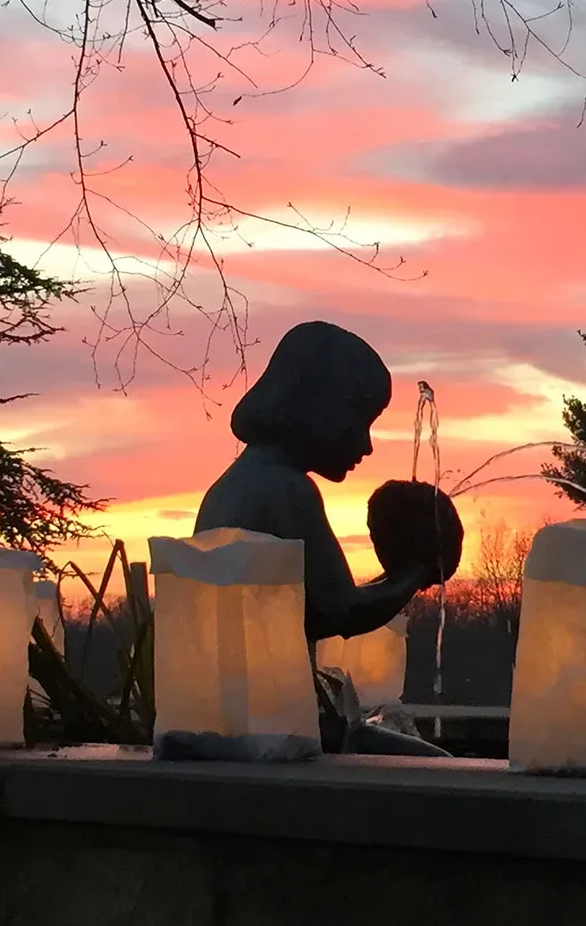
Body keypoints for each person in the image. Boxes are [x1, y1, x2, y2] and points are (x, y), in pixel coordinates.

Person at [193, 321, 452, 756]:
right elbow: (340, 611)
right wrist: (416, 572)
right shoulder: (285, 490)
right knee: (439, 767)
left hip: (249, 718)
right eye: (359, 422)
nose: (366, 446)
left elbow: (318, 606)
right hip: (281, 728)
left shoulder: (239, 483)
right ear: (319, 409)